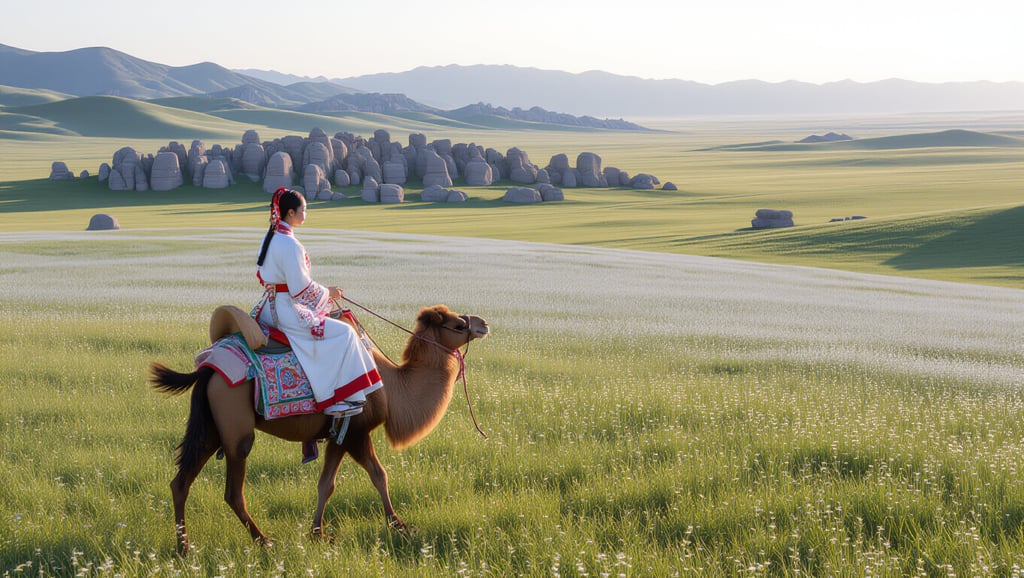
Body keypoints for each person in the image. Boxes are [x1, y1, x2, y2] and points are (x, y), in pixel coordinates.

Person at [251, 187, 382, 416]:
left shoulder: (270, 238)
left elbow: (265, 276)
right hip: (287, 312)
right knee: (345, 334)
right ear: (291, 213)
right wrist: (328, 293)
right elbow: (301, 291)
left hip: (268, 309)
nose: (306, 214)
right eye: (304, 210)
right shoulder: (290, 245)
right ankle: (334, 399)